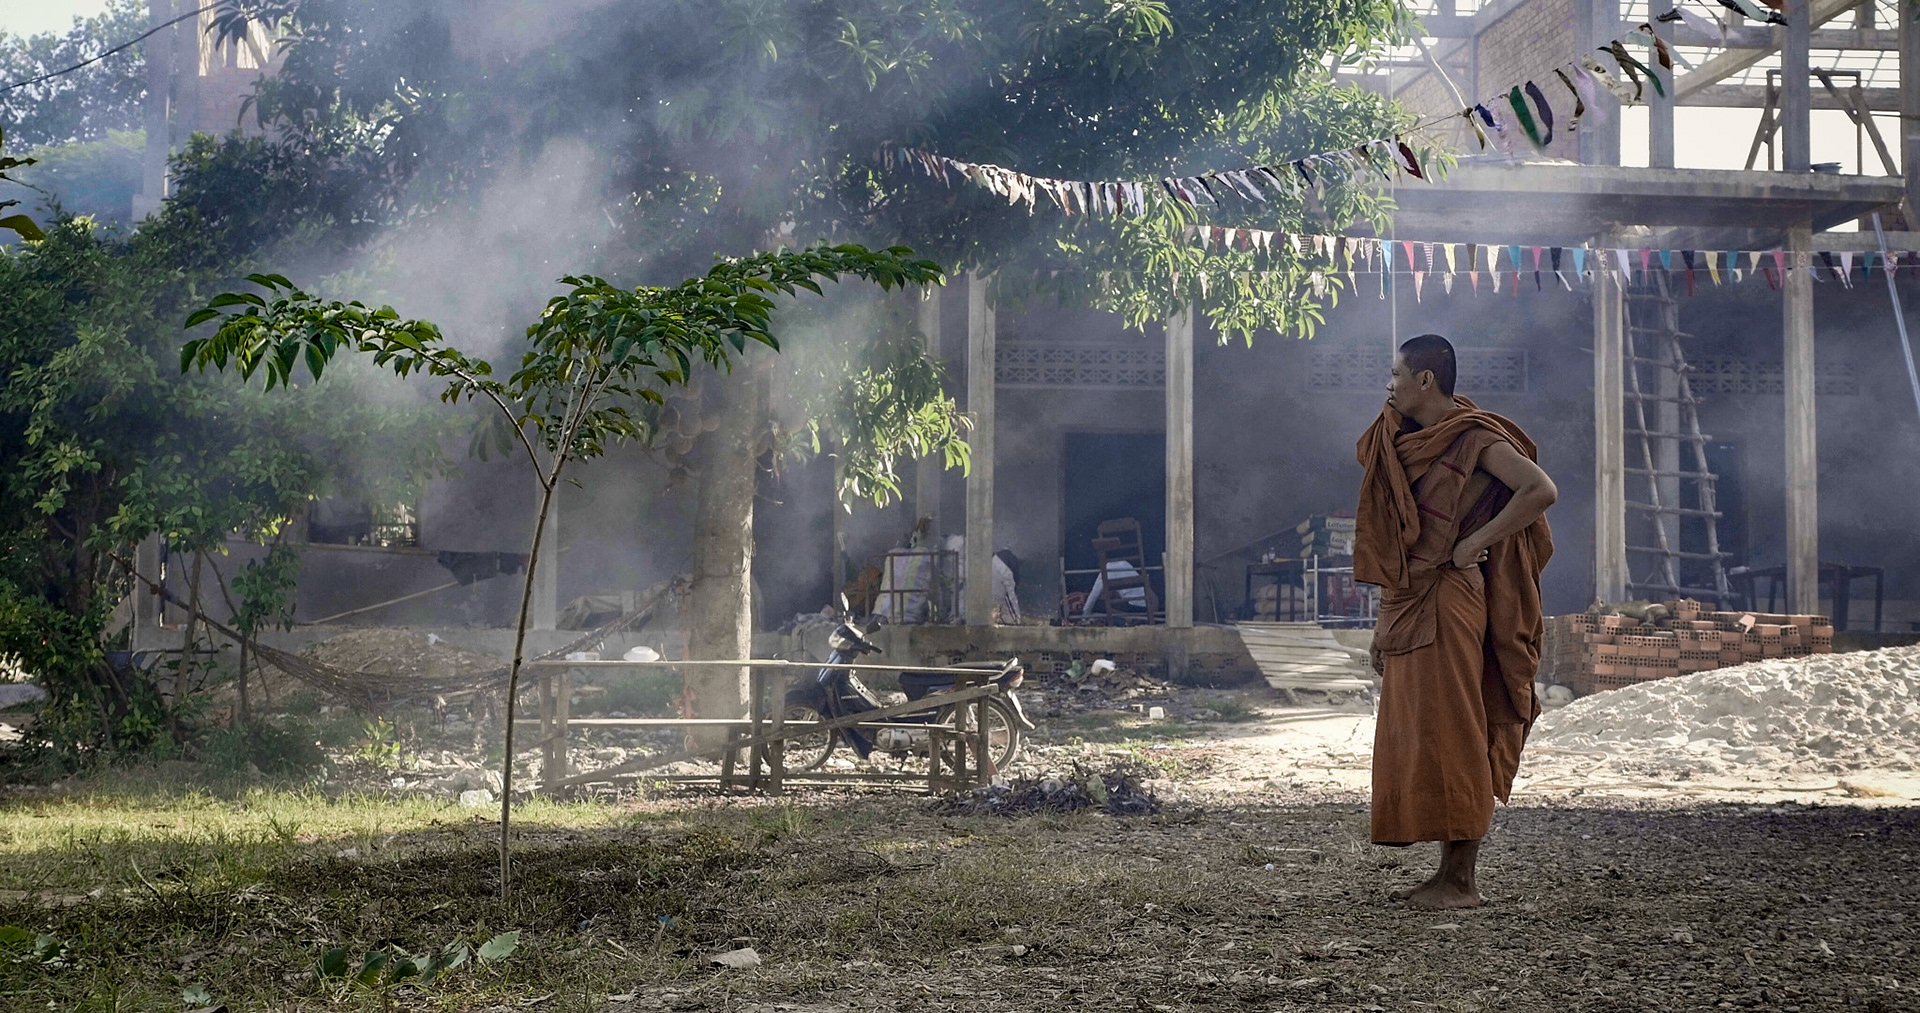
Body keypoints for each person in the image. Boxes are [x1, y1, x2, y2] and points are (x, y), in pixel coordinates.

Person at [1353, 333, 1557, 911]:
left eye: (1396, 374)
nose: (1388, 385)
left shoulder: (1473, 439)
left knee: (1457, 731)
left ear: (1425, 380)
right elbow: (1400, 542)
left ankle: (1462, 881)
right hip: (1412, 596)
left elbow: (1539, 490)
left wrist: (1473, 544)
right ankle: (1446, 874)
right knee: (1424, 734)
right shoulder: (1409, 441)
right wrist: (1380, 628)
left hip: (1449, 597)